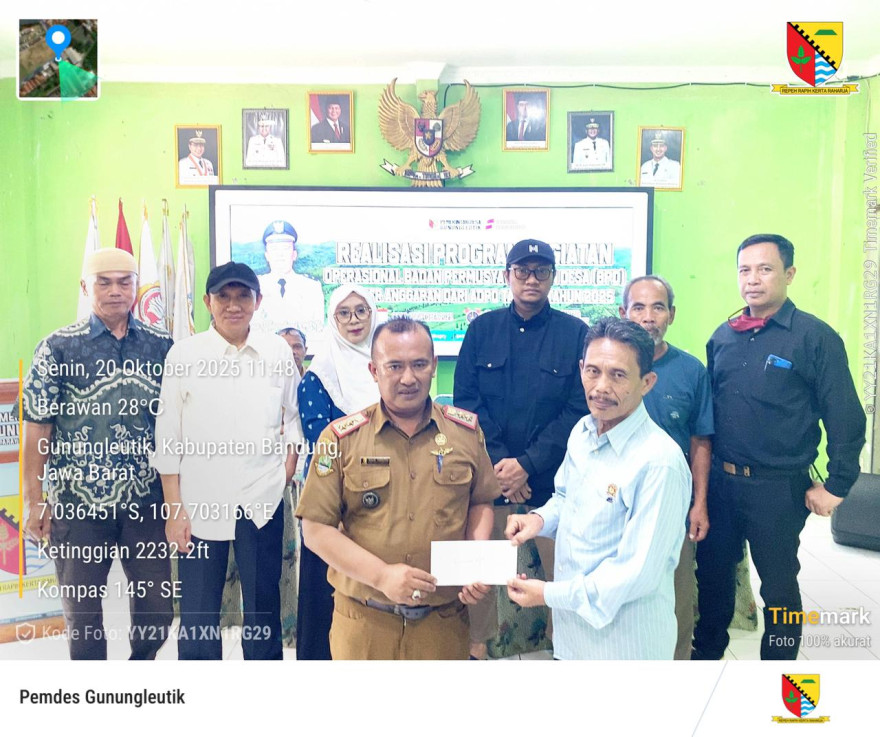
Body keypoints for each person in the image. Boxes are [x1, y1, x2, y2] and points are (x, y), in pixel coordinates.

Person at [693, 234, 866, 660]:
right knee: (713, 581)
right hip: (722, 485)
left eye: (765, 269)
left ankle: (780, 677)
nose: (752, 279)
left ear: (789, 274)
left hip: (778, 489)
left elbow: (844, 415)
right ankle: (706, 663)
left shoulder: (814, 337)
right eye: (744, 270)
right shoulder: (723, 337)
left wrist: (838, 484)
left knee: (779, 588)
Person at [295, 317, 500, 660]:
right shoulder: (340, 439)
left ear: (434, 366)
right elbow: (315, 530)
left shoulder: (465, 433)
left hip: (442, 624)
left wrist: (474, 559)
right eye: (395, 366)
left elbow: (480, 501)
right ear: (374, 371)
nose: (408, 378)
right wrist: (381, 576)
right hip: (364, 622)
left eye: (419, 364)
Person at [506, 317, 692, 659]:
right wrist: (539, 520)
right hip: (573, 636)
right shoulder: (582, 431)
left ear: (647, 382)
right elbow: (566, 497)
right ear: (580, 369)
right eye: (593, 371)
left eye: (618, 375)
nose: (601, 387)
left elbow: (636, 573)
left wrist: (547, 594)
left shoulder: (659, 462)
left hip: (627, 644)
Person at [21, 248, 173, 659]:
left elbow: (176, 425)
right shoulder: (57, 348)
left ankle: (139, 674)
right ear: (85, 287)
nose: (115, 291)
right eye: (104, 283)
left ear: (136, 286)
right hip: (77, 506)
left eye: (124, 282)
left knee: (158, 608)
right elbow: (37, 429)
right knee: (83, 613)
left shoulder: (162, 346)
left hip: (146, 502)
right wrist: (34, 500)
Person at [151, 261, 303, 659]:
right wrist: (174, 509)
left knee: (263, 605)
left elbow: (293, 418)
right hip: (199, 503)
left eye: (242, 296)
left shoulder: (276, 352)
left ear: (258, 301)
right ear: (208, 302)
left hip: (261, 500)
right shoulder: (184, 355)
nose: (233, 306)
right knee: (199, 611)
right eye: (224, 297)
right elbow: (167, 436)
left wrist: (287, 468)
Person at [453, 238, 589, 659]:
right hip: (490, 479)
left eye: (541, 271)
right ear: (507, 275)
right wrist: (503, 467)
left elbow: (578, 408)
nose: (532, 279)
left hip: (550, 481)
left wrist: (527, 465)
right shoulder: (482, 330)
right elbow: (466, 402)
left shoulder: (575, 333)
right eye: (523, 271)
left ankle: (561, 647)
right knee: (481, 573)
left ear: (553, 277)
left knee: (560, 575)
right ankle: (477, 648)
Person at [619, 275, 712, 660]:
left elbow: (701, 441)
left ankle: (675, 671)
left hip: (672, 507)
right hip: (616, 505)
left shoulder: (691, 371)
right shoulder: (607, 366)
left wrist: (699, 504)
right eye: (638, 307)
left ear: (671, 314)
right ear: (623, 313)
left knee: (675, 599)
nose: (648, 317)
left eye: (657, 307)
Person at [295, 284, 379, 660]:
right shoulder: (319, 376)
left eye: (361, 310)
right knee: (325, 590)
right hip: (334, 499)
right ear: (333, 320)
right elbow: (322, 442)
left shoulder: (389, 367)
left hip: (386, 499)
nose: (354, 320)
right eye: (343, 313)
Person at [253, 220, 325, 338]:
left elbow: (317, 330)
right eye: (274, 249)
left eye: (285, 248)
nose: (280, 254)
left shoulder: (311, 287)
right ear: (267, 255)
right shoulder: (255, 287)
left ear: (294, 254)